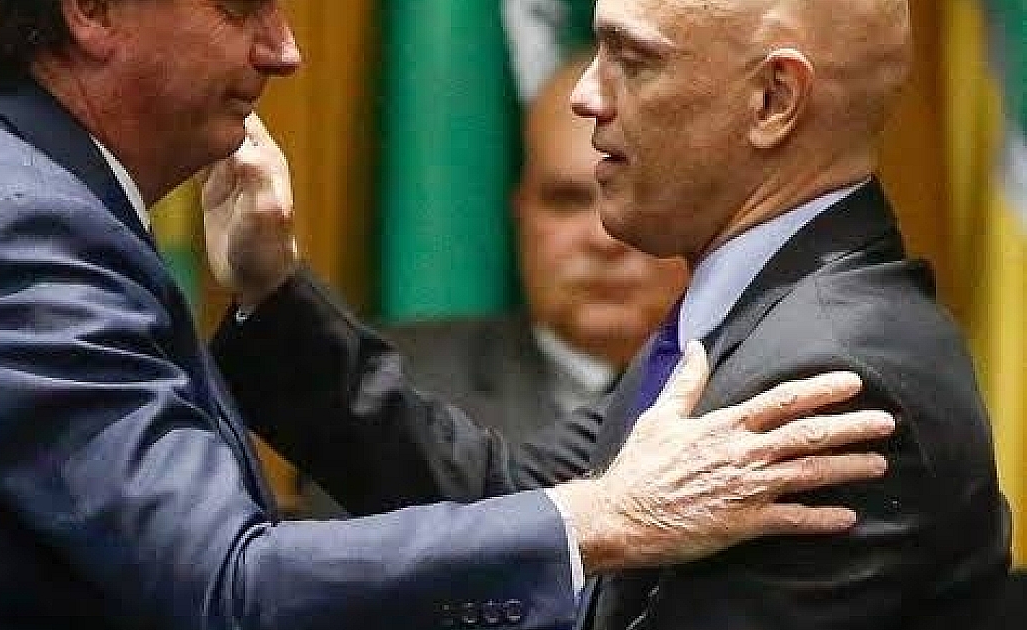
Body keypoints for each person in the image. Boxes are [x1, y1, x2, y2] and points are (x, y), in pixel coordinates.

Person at [0, 1, 896, 629]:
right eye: (240, 6)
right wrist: (604, 521)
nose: (284, 50)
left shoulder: (10, 189)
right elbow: (229, 586)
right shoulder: (19, 229)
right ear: (93, 12)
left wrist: (271, 297)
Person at [209, 0, 1011, 628]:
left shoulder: (830, 376)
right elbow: (509, 498)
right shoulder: (752, 316)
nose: (586, 95)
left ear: (773, 100)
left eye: (633, 60)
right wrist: (274, 292)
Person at [297, 56, 686, 519]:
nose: (603, 240)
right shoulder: (384, 393)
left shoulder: (751, 392)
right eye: (566, 201)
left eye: (637, 198)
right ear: (520, 214)